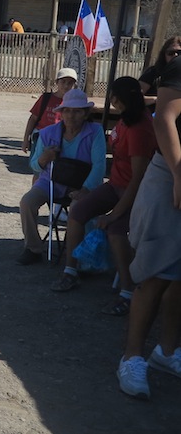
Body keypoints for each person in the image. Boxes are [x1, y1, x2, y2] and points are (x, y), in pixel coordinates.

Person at [50, 77, 156, 314]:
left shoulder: (140, 128)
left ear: (120, 98)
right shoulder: (125, 119)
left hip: (136, 192)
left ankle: (127, 293)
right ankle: (70, 271)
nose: (112, 100)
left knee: (116, 230)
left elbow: (138, 178)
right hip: (115, 184)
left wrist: (114, 214)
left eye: (113, 96)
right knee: (77, 211)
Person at [116, 52, 181, 400]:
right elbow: (165, 118)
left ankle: (167, 352)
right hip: (172, 174)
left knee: (179, 278)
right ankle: (132, 357)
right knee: (155, 273)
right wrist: (179, 174)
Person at [16, 89, 107, 265]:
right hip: (50, 182)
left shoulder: (95, 132)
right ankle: (33, 248)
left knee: (78, 208)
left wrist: (85, 189)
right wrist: (44, 158)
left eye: (77, 111)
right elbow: (34, 165)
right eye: (67, 110)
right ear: (61, 113)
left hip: (82, 185)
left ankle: (76, 256)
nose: (71, 115)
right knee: (27, 202)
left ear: (85, 113)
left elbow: (99, 166)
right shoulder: (47, 133)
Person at [22, 67, 77, 153]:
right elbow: (33, 118)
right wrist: (26, 139)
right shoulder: (46, 98)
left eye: (70, 83)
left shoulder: (74, 103)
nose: (66, 86)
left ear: (74, 85)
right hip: (40, 136)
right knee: (36, 161)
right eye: (63, 82)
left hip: (61, 139)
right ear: (57, 82)